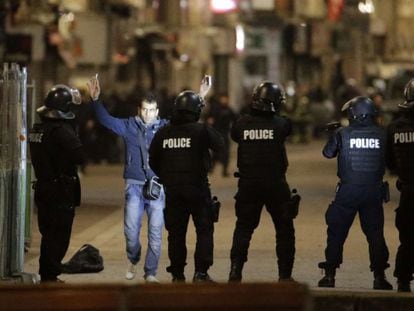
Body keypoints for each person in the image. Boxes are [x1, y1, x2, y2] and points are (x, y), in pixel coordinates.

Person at [86, 76, 167, 283]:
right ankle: (134, 257)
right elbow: (107, 121)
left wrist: (200, 96)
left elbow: (188, 122)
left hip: (157, 187)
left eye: (152, 110)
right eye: (144, 110)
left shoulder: (165, 128)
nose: (148, 114)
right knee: (131, 232)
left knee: (156, 234)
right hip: (134, 186)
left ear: (157, 112)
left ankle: (150, 273)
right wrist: (96, 100)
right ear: (139, 110)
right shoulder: (129, 126)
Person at [149, 88, 224, 283]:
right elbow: (221, 145)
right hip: (197, 187)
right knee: (204, 229)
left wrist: (166, 176)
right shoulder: (201, 130)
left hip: (172, 190)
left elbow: (153, 160)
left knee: (176, 233)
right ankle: (200, 273)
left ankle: (177, 274)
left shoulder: (163, 133)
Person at [318, 96, 393, 290]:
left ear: (353, 113)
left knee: (336, 232)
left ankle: (329, 275)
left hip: (348, 191)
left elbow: (327, 153)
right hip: (373, 191)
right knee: (375, 234)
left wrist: (333, 134)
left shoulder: (343, 133)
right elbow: (391, 162)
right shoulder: (382, 134)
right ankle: (379, 277)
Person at [228, 82, 297, 282]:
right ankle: (285, 276)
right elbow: (286, 126)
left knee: (243, 228)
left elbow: (234, 135)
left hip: (248, 184)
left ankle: (235, 271)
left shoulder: (241, 124)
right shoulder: (281, 124)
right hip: (275, 183)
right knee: (284, 229)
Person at [29, 84, 86, 282]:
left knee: (48, 233)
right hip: (60, 189)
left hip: (44, 187)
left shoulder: (38, 129)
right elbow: (80, 155)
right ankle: (49, 275)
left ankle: (48, 272)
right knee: (59, 235)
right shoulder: (60, 131)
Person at [386, 79, 414, 292]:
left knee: (408, 238)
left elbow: (390, 162)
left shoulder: (394, 127)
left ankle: (403, 280)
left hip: (408, 190)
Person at [206, 93, 236, 177]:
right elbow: (208, 118)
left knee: (225, 154)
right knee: (215, 153)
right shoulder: (216, 109)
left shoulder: (229, 109)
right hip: (216, 133)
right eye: (223, 98)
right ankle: (211, 168)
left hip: (225, 134)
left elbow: (235, 119)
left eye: (226, 98)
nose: (224, 100)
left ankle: (224, 170)